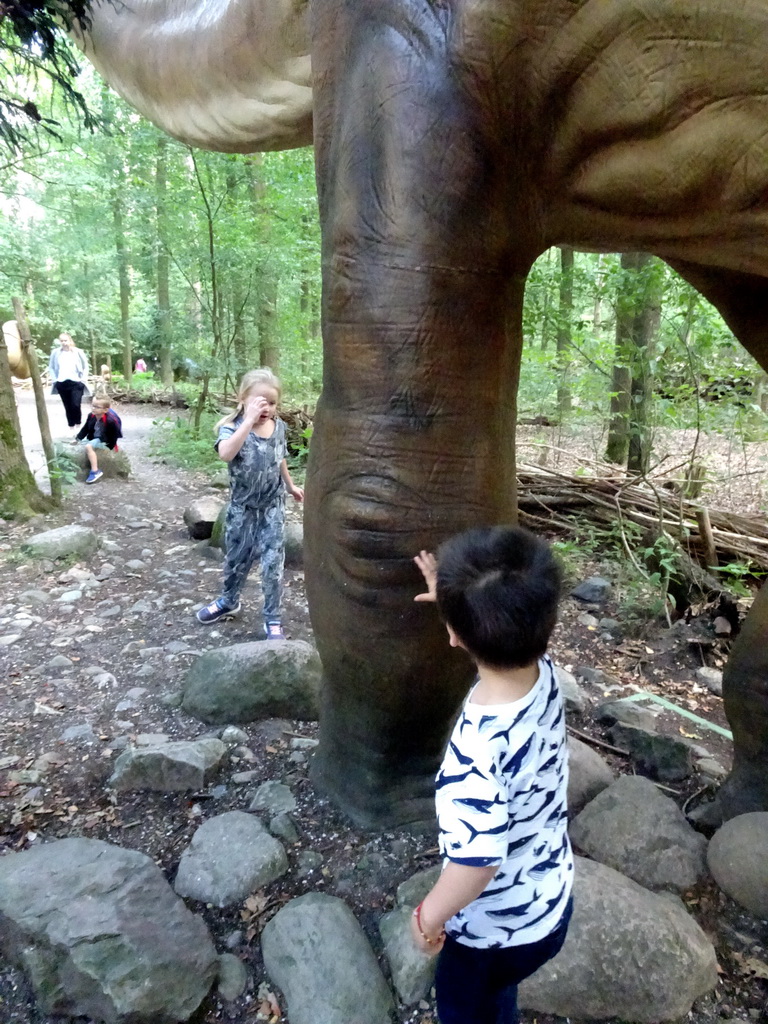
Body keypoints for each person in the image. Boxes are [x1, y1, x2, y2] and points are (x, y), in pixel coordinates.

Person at [409, 526, 573, 1024]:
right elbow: (505, 617)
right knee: (499, 999)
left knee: (464, 1008)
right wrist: (454, 601)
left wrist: (428, 918)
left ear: (456, 635)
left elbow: (477, 861)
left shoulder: (474, 753)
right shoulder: (543, 670)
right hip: (551, 902)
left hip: (492, 934)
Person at [197, 368, 304, 638]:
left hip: (272, 508)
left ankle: (273, 618)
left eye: (272, 403)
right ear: (242, 398)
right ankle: (228, 601)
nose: (267, 408)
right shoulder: (231, 428)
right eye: (260, 402)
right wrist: (248, 421)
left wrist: (290, 486)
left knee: (272, 565)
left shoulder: (279, 427)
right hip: (242, 508)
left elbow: (279, 457)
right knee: (237, 559)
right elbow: (225, 453)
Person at [73, 396, 123, 484]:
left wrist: (109, 446)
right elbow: (85, 428)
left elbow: (115, 434)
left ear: (105, 410)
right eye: (93, 406)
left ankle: (95, 471)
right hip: (94, 437)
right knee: (84, 442)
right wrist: (78, 438)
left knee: (88, 446)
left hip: (105, 440)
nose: (94, 409)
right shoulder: (91, 415)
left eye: (97, 407)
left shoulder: (110, 421)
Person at [48, 333, 89, 430]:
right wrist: (55, 380)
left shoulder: (78, 352)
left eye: (65, 340)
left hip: (76, 382)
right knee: (67, 406)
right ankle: (71, 427)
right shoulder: (55, 352)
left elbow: (85, 366)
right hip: (62, 382)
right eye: (61, 341)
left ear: (70, 340)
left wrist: (83, 379)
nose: (64, 343)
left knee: (75, 404)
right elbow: (51, 367)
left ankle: (78, 425)